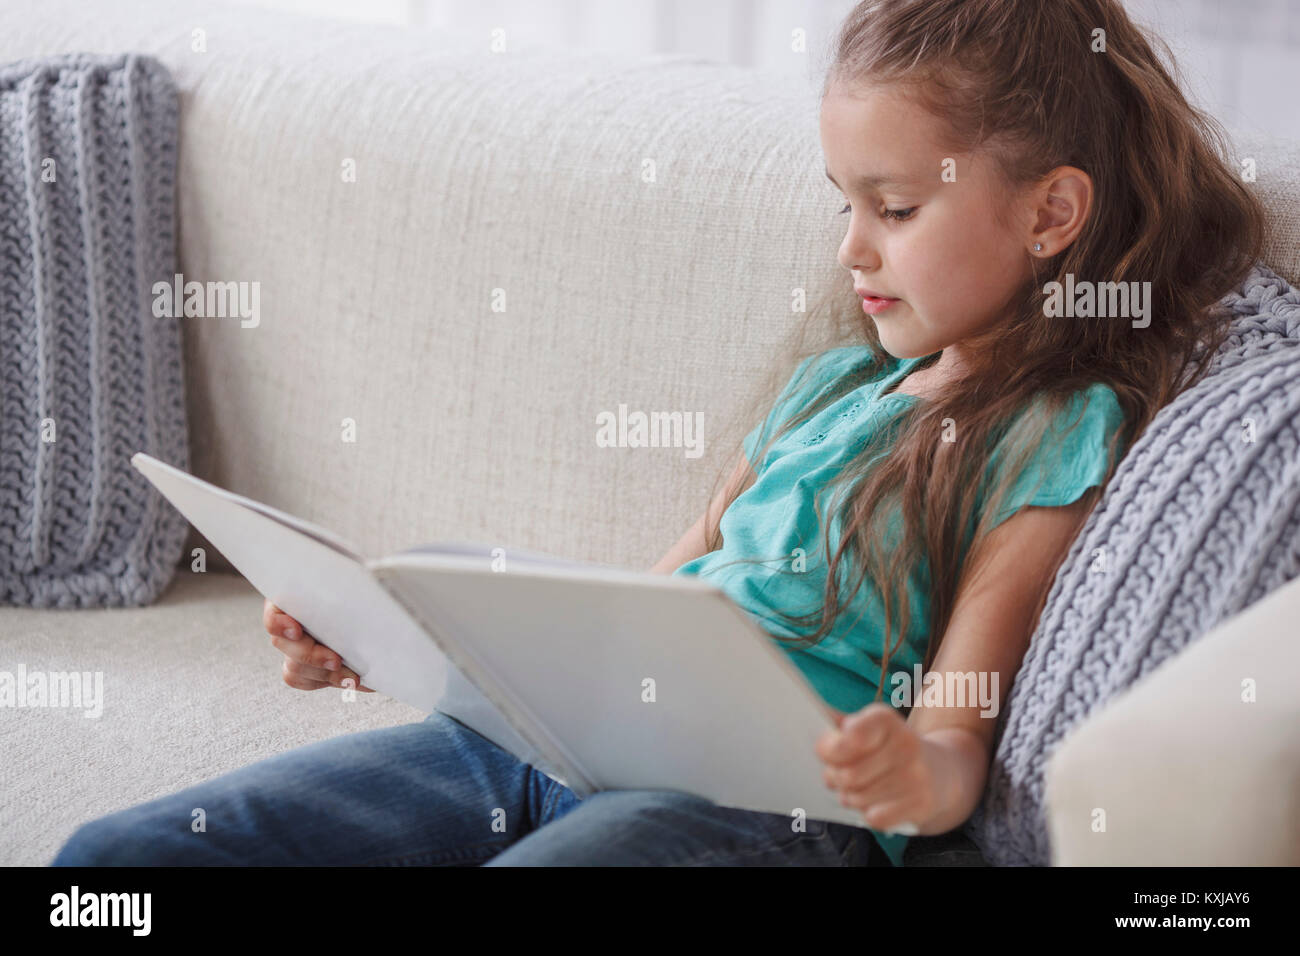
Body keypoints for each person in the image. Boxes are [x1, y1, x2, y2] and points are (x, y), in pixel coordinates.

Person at [52, 0, 1263, 867]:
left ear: (1052, 212)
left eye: (893, 208)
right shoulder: (826, 392)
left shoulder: (1053, 432)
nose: (851, 248)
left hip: (767, 805)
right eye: (843, 202)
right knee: (117, 858)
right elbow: (649, 604)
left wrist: (919, 776)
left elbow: (958, 731)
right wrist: (402, 642)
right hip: (561, 748)